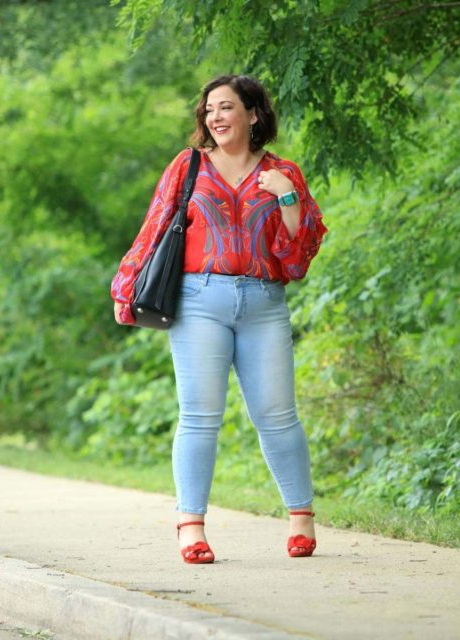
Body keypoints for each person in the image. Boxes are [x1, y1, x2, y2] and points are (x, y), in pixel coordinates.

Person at [111, 74, 328, 564]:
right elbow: (155, 228)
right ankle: (191, 528)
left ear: (253, 114)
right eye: (210, 109)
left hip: (263, 302)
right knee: (199, 415)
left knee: (277, 416)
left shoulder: (283, 172)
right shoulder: (188, 166)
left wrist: (287, 197)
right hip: (199, 300)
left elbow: (298, 255)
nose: (216, 117)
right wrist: (125, 289)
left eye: (227, 107)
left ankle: (301, 519)